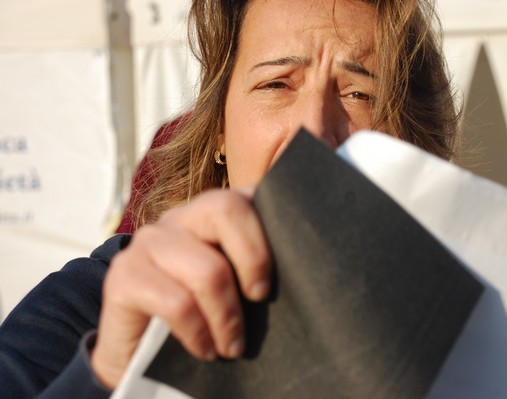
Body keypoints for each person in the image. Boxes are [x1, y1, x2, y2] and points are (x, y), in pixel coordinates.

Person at [0, 0, 459, 397]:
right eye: (276, 84)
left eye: (359, 94)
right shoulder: (94, 309)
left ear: (413, 143)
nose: (313, 134)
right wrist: (106, 372)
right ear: (219, 128)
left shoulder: (472, 324)